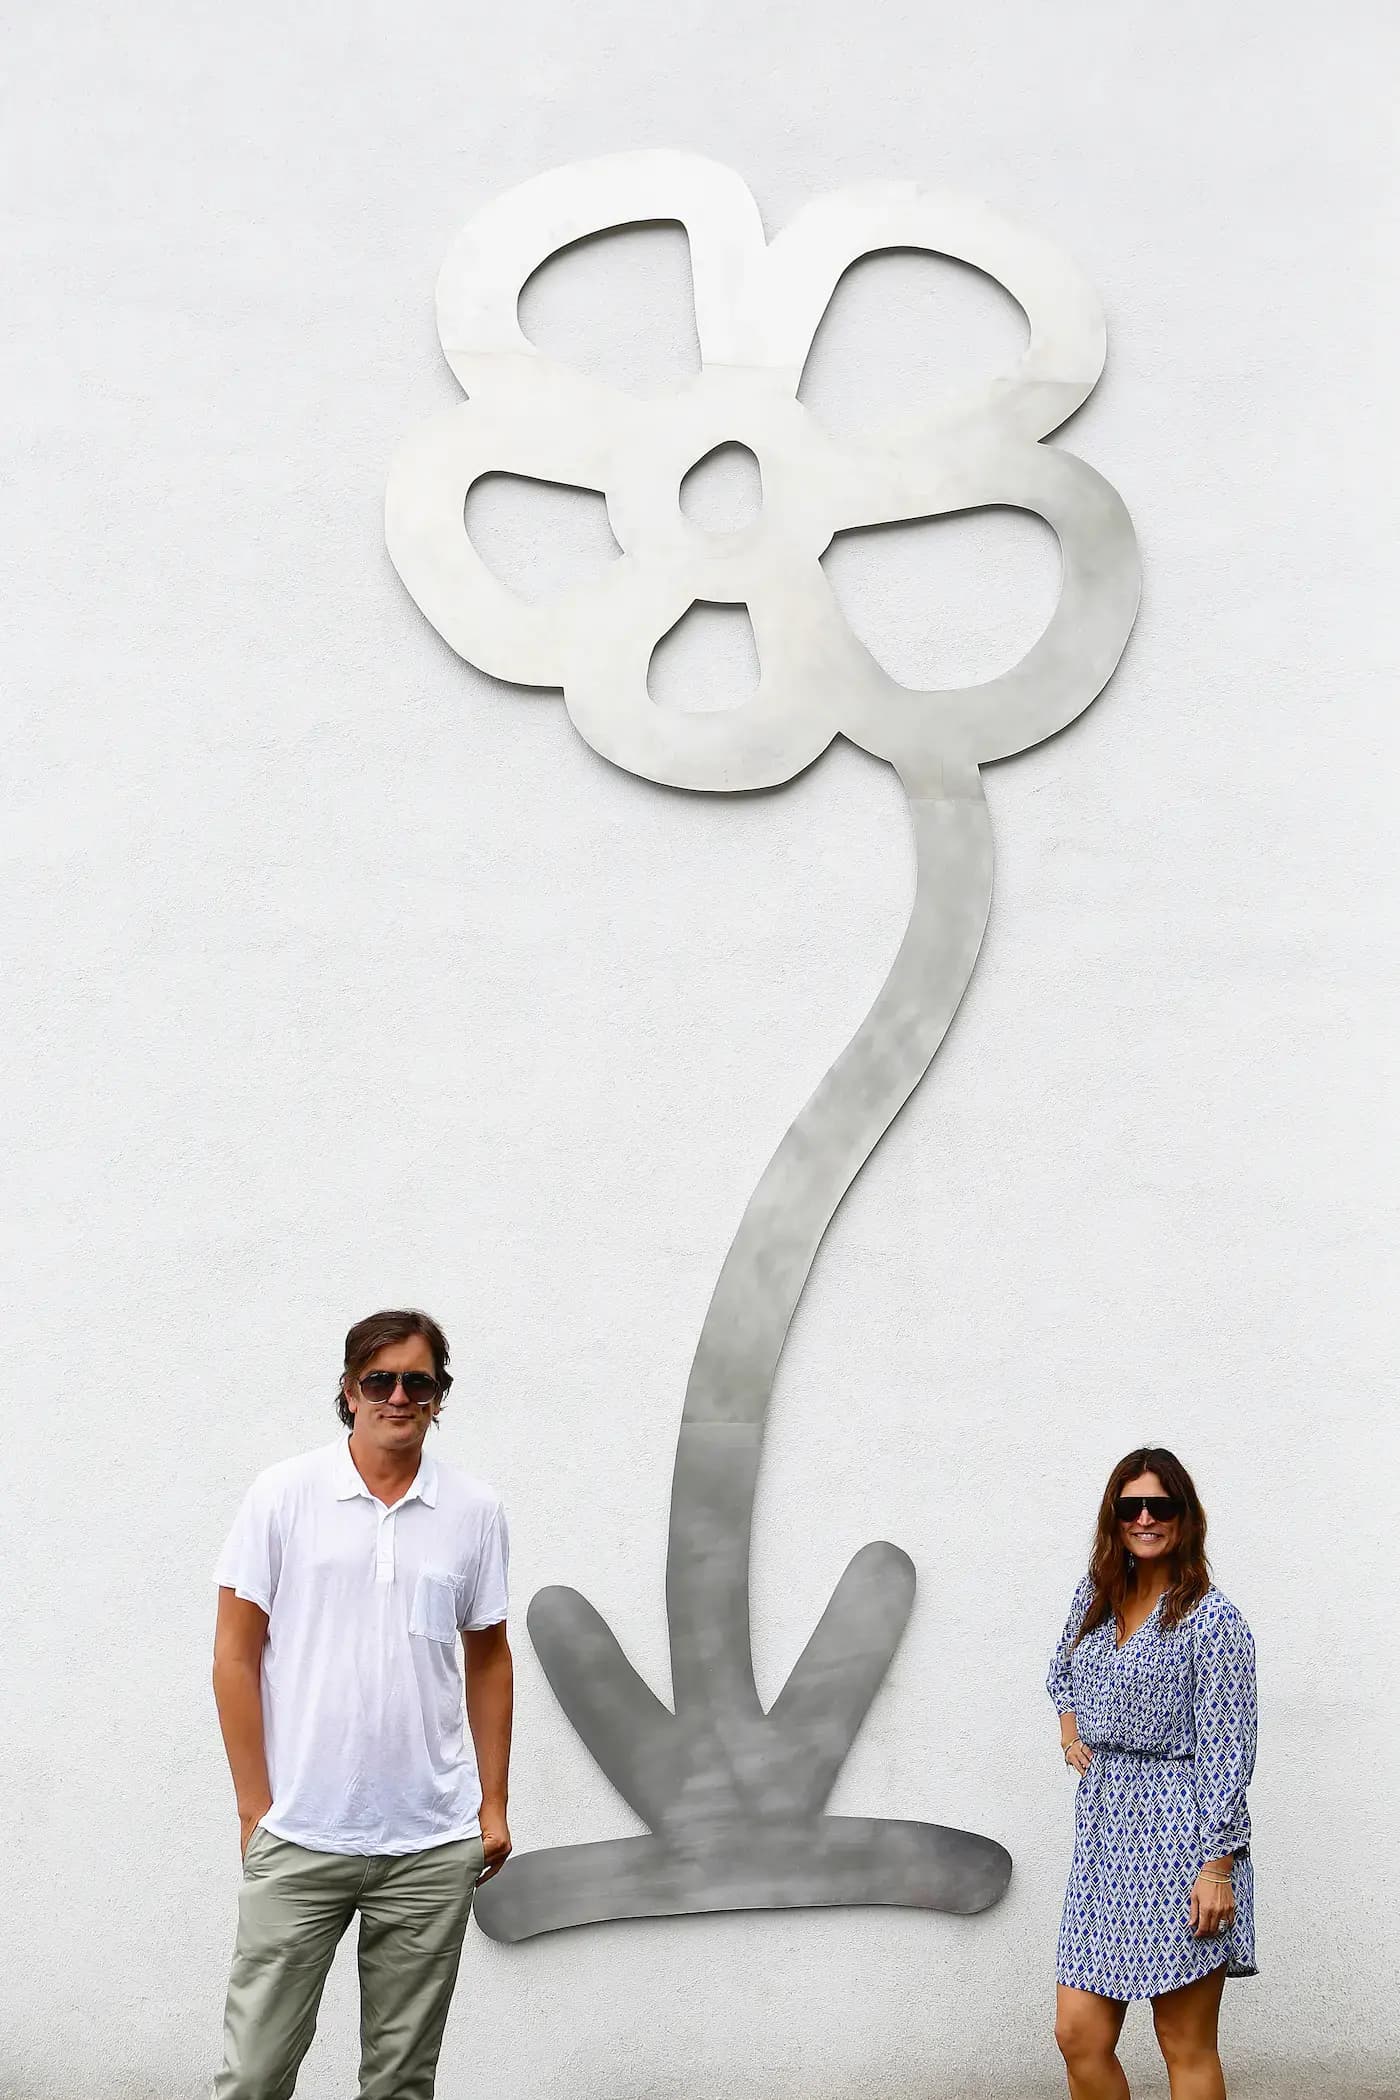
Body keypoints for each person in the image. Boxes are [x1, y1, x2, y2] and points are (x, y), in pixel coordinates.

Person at [209, 1308, 513, 2100]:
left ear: (441, 1396)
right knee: (253, 2075)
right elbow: (234, 1656)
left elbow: (489, 1660)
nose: (399, 1396)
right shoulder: (283, 1496)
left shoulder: (474, 1512)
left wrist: (494, 1803)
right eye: (380, 1379)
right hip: (303, 1833)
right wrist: (255, 1809)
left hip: (429, 1842)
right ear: (348, 1391)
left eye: (419, 1381)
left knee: (401, 2082)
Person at [1046, 1446, 1257, 2100]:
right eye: (1129, 1505)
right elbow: (1059, 1673)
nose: (1144, 1517)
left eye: (1159, 1506)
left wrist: (1216, 1867)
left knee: (1182, 2042)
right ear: (1114, 1516)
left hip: (1181, 1841)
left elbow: (1229, 1750)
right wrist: (1072, 1736)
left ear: (1183, 1517)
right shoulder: (1096, 1598)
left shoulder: (1212, 1621)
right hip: (1106, 1843)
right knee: (1078, 2035)